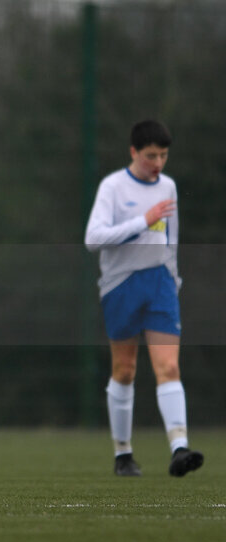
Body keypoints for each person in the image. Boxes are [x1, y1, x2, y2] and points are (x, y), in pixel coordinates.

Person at [84, 120, 203, 478]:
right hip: (121, 285)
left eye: (164, 155)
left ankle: (179, 448)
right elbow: (93, 238)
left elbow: (171, 236)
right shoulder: (113, 187)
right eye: (151, 155)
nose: (158, 163)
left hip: (161, 285)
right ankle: (123, 454)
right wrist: (142, 220)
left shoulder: (169, 186)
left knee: (168, 367)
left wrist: (173, 277)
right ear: (134, 152)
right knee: (125, 369)